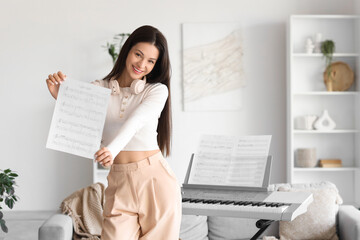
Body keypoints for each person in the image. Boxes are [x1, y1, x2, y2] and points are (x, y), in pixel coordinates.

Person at [45, 25, 182, 240]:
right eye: (138, 54)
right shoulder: (99, 88)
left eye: (150, 61)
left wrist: (112, 149)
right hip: (118, 181)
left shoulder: (156, 90)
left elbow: (137, 120)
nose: (142, 64)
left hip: (154, 180)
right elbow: (79, 121)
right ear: (127, 50)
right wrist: (59, 97)